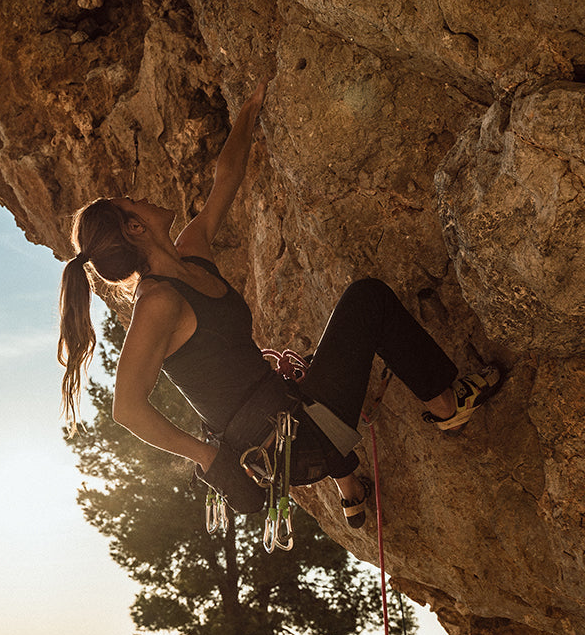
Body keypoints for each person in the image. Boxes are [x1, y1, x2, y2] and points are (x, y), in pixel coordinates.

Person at [57, 82, 502, 527]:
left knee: (308, 364)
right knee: (368, 301)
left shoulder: (190, 251)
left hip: (288, 416)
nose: (142, 197)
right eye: (132, 202)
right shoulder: (157, 302)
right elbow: (127, 408)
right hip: (292, 442)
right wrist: (209, 460)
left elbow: (225, 180)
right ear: (134, 227)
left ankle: (348, 484)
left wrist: (251, 109)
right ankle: (448, 406)